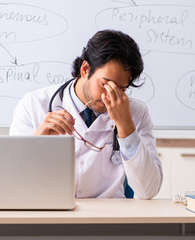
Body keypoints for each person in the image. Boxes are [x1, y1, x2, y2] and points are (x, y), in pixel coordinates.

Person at [9, 30, 162, 199]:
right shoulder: (34, 104)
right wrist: (37, 140)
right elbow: (12, 182)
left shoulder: (136, 112)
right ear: (85, 69)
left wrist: (126, 126)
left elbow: (149, 191)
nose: (110, 96)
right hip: (49, 214)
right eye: (106, 84)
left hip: (110, 218)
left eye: (122, 89)